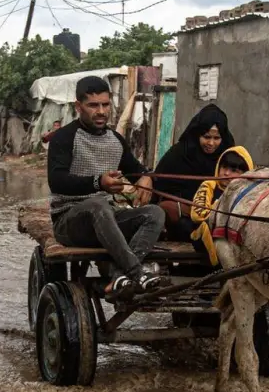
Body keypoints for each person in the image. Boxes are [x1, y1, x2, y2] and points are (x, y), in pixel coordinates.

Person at [46, 76, 165, 296]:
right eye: (93, 105)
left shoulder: (116, 141)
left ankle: (120, 276)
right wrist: (98, 182)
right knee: (97, 203)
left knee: (154, 214)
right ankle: (137, 273)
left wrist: (146, 177)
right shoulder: (64, 138)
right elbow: (57, 180)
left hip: (107, 220)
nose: (101, 111)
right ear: (78, 106)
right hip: (69, 223)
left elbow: (135, 169)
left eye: (105, 104)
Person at [153, 104, 234, 241]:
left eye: (216, 138)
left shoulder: (228, 157)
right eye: (206, 137)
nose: (211, 143)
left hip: (217, 220)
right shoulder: (179, 153)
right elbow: (157, 185)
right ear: (197, 134)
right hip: (180, 221)